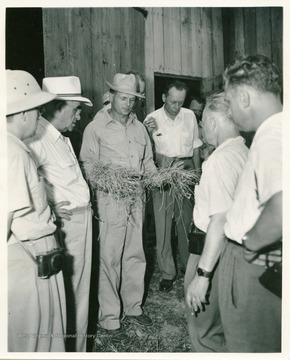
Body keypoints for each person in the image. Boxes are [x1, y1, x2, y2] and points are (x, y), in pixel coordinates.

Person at [79, 73, 156, 343]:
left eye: (132, 99)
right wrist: (109, 182)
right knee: (109, 258)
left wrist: (154, 176)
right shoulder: (95, 128)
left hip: (137, 196)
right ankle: (110, 319)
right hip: (110, 198)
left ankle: (133, 307)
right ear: (111, 96)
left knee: (135, 253)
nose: (127, 104)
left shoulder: (139, 128)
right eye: (123, 98)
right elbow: (88, 166)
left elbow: (148, 161)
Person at [25, 76, 93, 352]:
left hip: (81, 220)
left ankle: (77, 349)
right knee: (69, 292)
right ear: (56, 107)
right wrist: (50, 207)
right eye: (75, 109)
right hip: (68, 224)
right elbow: (24, 181)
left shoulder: (59, 137)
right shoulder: (37, 139)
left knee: (80, 290)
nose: (79, 116)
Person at [220, 54, 282, 352]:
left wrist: (250, 242)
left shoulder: (273, 136)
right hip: (268, 260)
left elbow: (283, 206)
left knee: (249, 346)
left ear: (244, 97)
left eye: (230, 104)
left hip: (254, 263)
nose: (230, 113)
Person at [6, 69, 66, 352]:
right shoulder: (13, 154)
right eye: (37, 111)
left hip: (26, 253)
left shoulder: (13, 148)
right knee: (39, 337)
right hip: (30, 256)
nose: (40, 117)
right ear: (22, 114)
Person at [185, 92, 248, 352]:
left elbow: (219, 220)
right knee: (224, 330)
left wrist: (202, 275)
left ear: (211, 122)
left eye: (202, 124)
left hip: (212, 254)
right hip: (234, 255)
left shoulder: (220, 160)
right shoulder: (243, 151)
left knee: (204, 333)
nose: (201, 130)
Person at [144, 80, 202, 292]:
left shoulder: (190, 116)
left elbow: (195, 146)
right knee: (163, 226)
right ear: (163, 98)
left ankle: (189, 268)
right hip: (163, 176)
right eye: (173, 102)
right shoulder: (151, 120)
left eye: (181, 102)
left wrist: (197, 174)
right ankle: (168, 272)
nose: (177, 107)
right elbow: (146, 152)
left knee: (186, 224)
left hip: (185, 173)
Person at [189, 96, 215, 161]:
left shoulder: (205, 126)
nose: (197, 114)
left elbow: (211, 148)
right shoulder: (178, 124)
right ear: (188, 108)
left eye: (199, 111)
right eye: (194, 110)